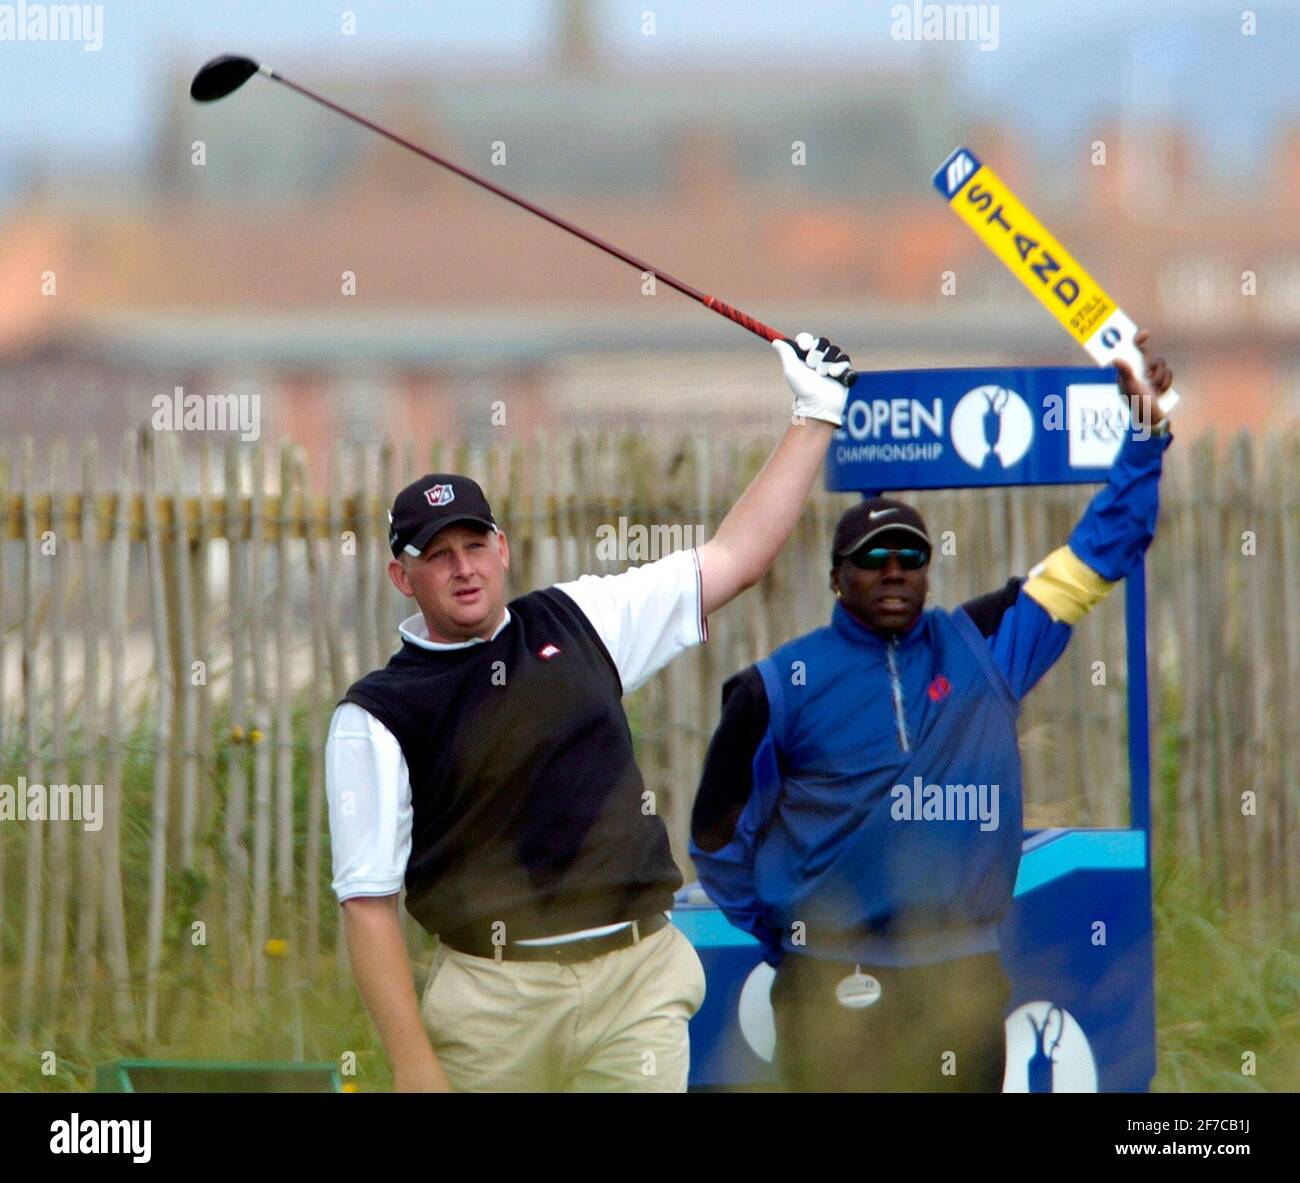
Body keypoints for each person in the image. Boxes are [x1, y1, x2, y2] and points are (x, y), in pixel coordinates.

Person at [325, 332, 854, 1092]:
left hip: (635, 980)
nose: (462, 567)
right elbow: (367, 906)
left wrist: (815, 416)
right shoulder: (376, 714)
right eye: (437, 555)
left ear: (502, 548)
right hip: (495, 1003)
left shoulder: (580, 619)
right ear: (400, 576)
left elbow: (735, 558)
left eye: (474, 544)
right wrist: (414, 1068)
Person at [690, 332, 1175, 1092]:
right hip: (829, 987)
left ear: (928, 571)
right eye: (873, 560)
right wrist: (792, 932)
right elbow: (715, 837)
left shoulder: (985, 647)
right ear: (836, 576)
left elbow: (1100, 552)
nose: (892, 572)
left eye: (910, 558)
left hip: (961, 983)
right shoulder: (777, 683)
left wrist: (1145, 438)